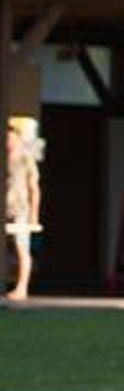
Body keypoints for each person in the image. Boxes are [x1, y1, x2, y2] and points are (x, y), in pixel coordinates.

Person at [6, 115, 43, 301]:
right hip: (6, 207)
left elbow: (34, 188)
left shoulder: (26, 159)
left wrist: (34, 214)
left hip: (20, 208)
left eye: (11, 136)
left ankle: (22, 288)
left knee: (21, 247)